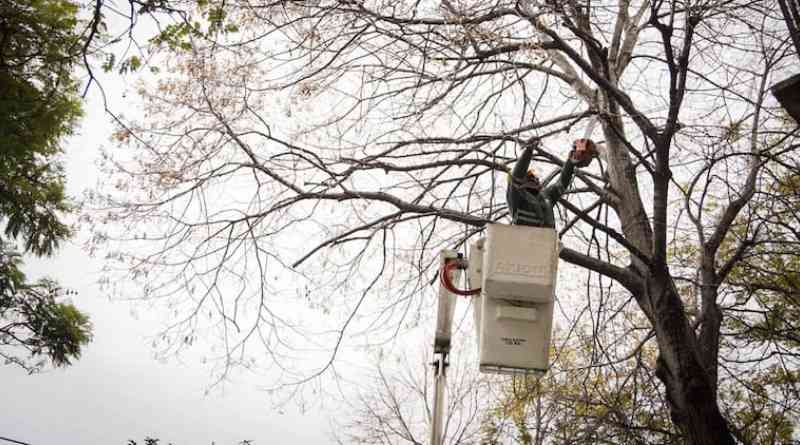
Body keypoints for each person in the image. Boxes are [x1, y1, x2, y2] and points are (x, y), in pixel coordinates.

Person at [507, 138, 596, 227]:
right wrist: (528, 151)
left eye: (535, 178)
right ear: (523, 182)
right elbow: (516, 177)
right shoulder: (516, 197)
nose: (535, 179)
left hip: (548, 239)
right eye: (531, 178)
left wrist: (571, 162)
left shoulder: (546, 197)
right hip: (523, 239)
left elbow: (561, 184)